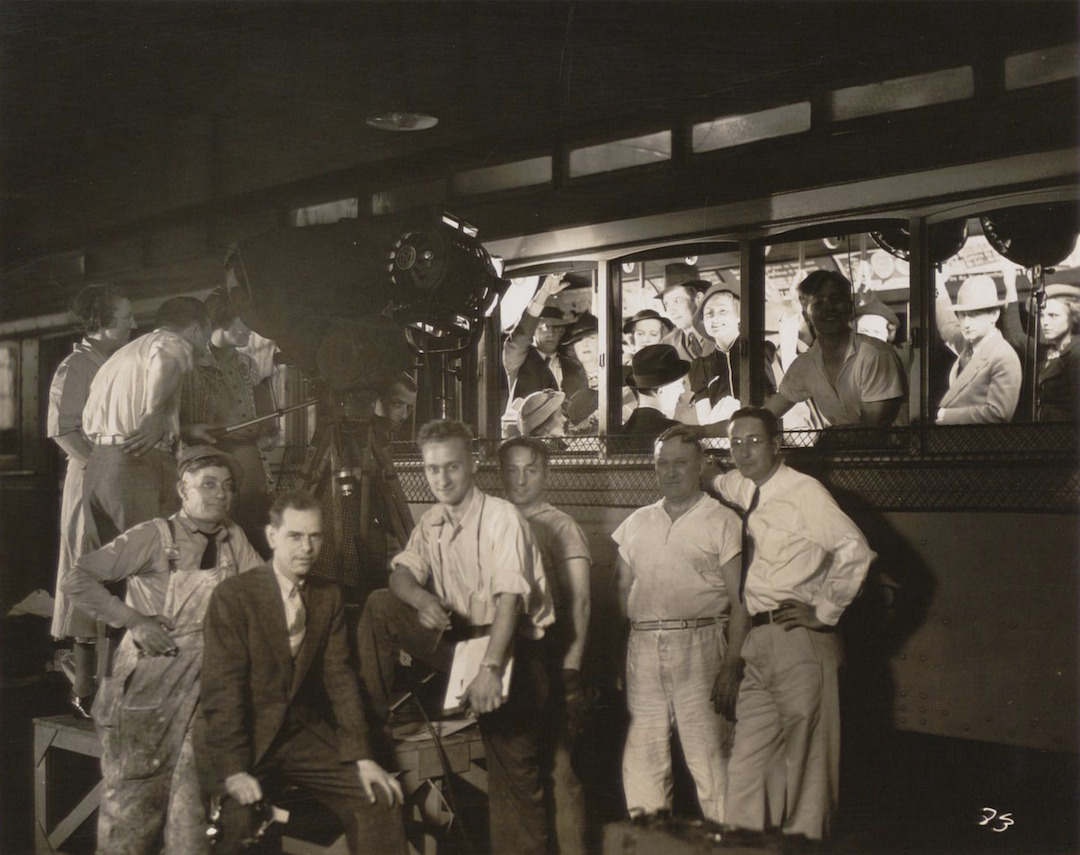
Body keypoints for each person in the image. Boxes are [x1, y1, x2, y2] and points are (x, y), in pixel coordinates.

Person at [356, 419, 554, 855]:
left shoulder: (502, 518)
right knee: (381, 604)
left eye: (452, 467)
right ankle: (368, 726)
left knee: (515, 781)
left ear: (474, 463)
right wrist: (421, 599)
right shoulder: (431, 521)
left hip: (512, 651)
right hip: (459, 644)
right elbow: (401, 573)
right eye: (432, 469)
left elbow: (509, 602)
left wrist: (490, 670)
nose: (442, 479)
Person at [61, 446, 262, 855]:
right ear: (182, 490)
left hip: (202, 692)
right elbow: (77, 579)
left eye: (227, 486)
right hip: (145, 693)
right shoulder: (153, 536)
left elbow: (264, 591)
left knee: (192, 821)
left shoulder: (233, 537)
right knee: (131, 820)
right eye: (208, 484)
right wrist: (134, 620)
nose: (221, 494)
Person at [199, 491, 406, 855]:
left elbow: (340, 678)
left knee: (378, 798)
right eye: (295, 536)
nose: (307, 548)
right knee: (239, 825)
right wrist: (234, 770)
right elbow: (223, 692)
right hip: (243, 736)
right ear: (272, 536)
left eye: (315, 537)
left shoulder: (328, 596)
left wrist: (362, 757)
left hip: (300, 733)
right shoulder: (233, 596)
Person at [708, 408, 874, 848]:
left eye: (754, 441)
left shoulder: (804, 492)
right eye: (735, 443)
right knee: (747, 763)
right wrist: (702, 465)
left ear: (776, 444)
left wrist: (824, 611)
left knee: (808, 768)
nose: (743, 451)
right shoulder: (748, 487)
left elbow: (855, 549)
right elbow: (720, 480)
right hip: (758, 642)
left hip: (800, 641)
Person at [612, 425, 747, 823]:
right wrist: (619, 657)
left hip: (701, 644)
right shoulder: (636, 522)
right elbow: (620, 595)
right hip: (642, 649)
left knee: (712, 760)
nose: (671, 472)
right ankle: (650, 844)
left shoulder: (723, 521)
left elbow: (742, 603)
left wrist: (731, 665)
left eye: (681, 463)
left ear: (701, 465)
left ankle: (731, 845)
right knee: (643, 762)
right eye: (663, 464)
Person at [47, 284, 137, 717]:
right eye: (126, 317)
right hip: (90, 481)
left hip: (118, 480)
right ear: (101, 322)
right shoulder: (76, 366)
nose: (134, 324)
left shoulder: (117, 361)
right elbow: (64, 431)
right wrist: (101, 465)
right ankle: (84, 687)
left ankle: (114, 684)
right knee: (88, 568)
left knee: (118, 571)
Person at [499, 437, 592, 854]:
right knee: (516, 773)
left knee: (559, 770)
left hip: (551, 664)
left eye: (531, 470)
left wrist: (571, 673)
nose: (521, 480)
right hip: (506, 664)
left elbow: (580, 603)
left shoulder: (560, 526)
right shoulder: (494, 520)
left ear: (546, 474)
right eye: (512, 470)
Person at [694, 271, 907, 438]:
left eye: (836, 300)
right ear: (806, 314)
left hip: (893, 461)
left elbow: (873, 431)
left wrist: (827, 439)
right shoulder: (806, 364)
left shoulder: (875, 356)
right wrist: (700, 431)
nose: (829, 308)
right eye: (818, 302)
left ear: (849, 307)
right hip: (843, 459)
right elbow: (763, 418)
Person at [81, 295, 212, 550]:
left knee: (108, 563)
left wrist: (184, 430)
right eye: (206, 340)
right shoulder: (173, 342)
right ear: (196, 330)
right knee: (149, 558)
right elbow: (168, 359)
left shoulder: (123, 354)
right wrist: (154, 413)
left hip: (100, 466)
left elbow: (116, 418)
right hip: (138, 464)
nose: (204, 349)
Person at [181, 290, 276, 553]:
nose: (251, 330)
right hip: (211, 464)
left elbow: (264, 415)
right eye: (244, 321)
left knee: (257, 539)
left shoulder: (248, 363)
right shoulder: (192, 366)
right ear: (222, 321)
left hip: (252, 466)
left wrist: (268, 433)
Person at [934, 275, 1022, 424]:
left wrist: (944, 415)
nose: (966, 323)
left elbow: (998, 415)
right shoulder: (968, 344)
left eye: (974, 315)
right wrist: (939, 285)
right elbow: (948, 327)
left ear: (994, 314)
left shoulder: (1003, 357)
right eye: (962, 315)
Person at [1001, 278, 1080, 422]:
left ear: (1073, 317)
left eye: (1053, 316)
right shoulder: (1048, 352)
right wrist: (1010, 286)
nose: (1045, 323)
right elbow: (1014, 335)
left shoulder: (1076, 354)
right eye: (1041, 315)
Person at [503, 274, 588, 403]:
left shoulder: (574, 367)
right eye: (544, 328)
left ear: (562, 332)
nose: (550, 333)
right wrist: (544, 293)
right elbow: (520, 337)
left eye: (556, 328)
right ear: (533, 331)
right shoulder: (519, 360)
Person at [622, 344, 689, 451]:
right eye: (678, 385)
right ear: (662, 390)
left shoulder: (623, 430)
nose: (682, 390)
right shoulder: (674, 432)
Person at [661, 275, 714, 362]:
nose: (671, 311)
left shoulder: (720, 332)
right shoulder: (668, 344)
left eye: (677, 301)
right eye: (666, 304)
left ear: (698, 299)